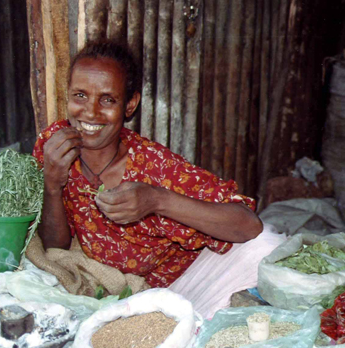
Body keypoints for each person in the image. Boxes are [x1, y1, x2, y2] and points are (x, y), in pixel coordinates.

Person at [33, 40, 264, 289]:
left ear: (130, 105)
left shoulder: (151, 166)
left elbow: (248, 225)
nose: (90, 112)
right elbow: (55, 249)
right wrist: (52, 183)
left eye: (107, 100)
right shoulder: (55, 147)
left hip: (185, 284)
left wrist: (156, 200)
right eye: (80, 95)